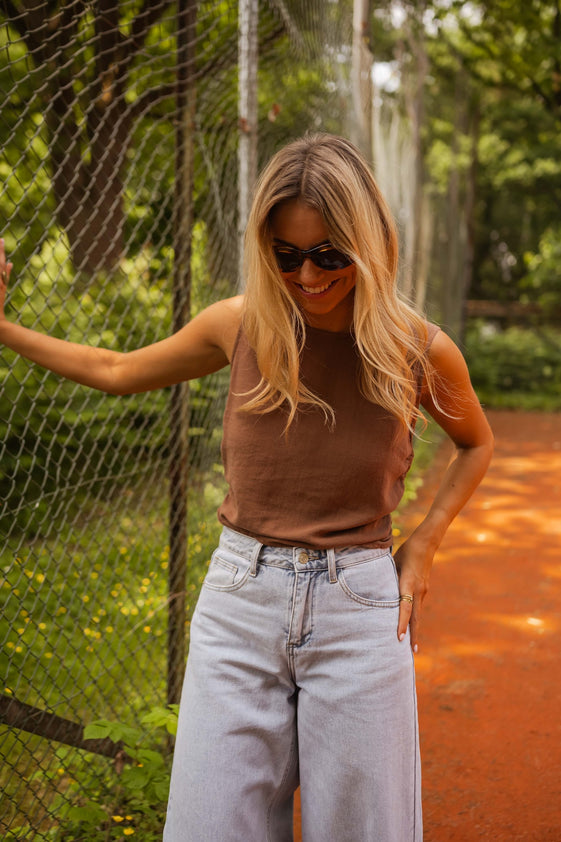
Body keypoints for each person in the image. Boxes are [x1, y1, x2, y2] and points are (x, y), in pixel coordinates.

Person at [0, 133, 493, 842]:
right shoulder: (238, 325)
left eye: (329, 254)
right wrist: (3, 327)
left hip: (359, 607)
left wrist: (425, 543)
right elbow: (115, 369)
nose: (308, 276)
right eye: (286, 255)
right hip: (239, 603)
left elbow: (475, 443)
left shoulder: (415, 348)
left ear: (369, 244)